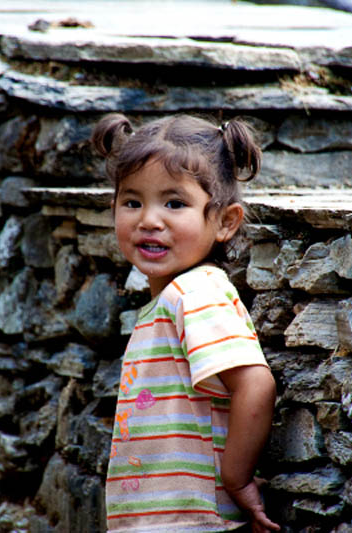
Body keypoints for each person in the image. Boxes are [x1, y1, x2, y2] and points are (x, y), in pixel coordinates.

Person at [91, 113, 280, 533]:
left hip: (195, 519)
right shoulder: (168, 301)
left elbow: (255, 384)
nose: (149, 220)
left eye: (174, 203)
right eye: (132, 202)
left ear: (225, 221)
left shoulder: (195, 293)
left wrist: (236, 478)